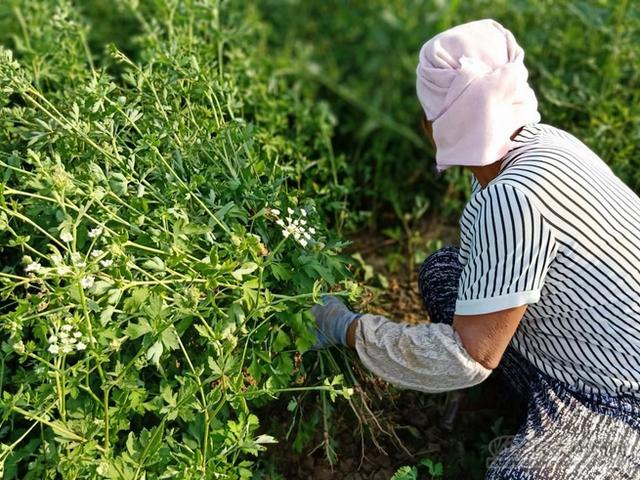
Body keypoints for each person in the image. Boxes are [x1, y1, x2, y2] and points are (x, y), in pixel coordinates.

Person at [311, 19, 640, 479]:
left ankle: (574, 443)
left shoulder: (513, 198)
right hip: (589, 350)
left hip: (620, 401)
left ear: (439, 124)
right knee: (444, 274)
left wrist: (348, 328)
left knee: (518, 474)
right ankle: (526, 412)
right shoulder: (552, 144)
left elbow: (468, 355)